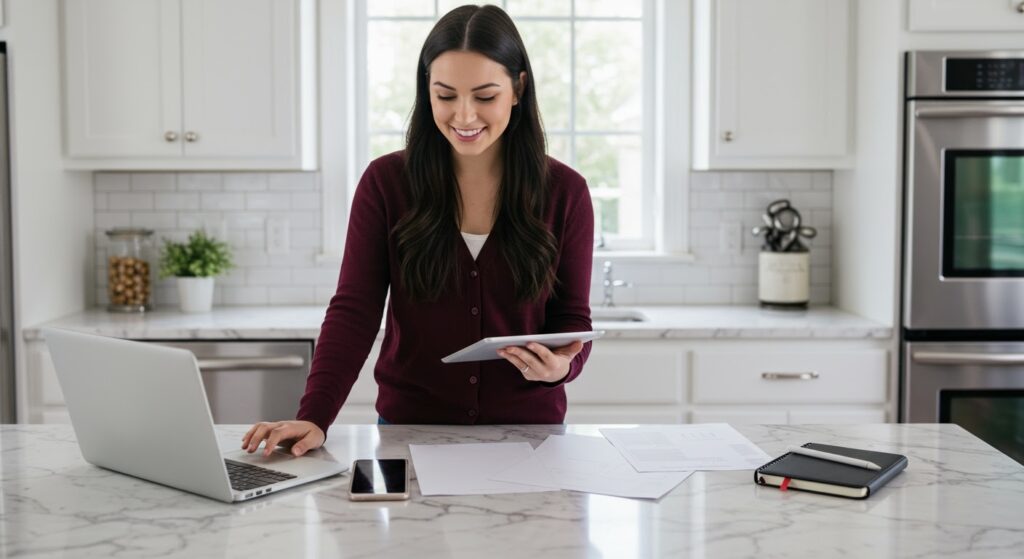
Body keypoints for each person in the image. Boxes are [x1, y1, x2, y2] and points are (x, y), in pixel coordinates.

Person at [242, 4, 594, 457]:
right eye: (445, 95)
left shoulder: (565, 191)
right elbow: (354, 311)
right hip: (409, 433)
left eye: (484, 96)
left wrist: (561, 368)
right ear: (425, 89)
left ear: (518, 88)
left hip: (531, 439)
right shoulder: (386, 183)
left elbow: (572, 321)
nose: (464, 116)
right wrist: (315, 416)